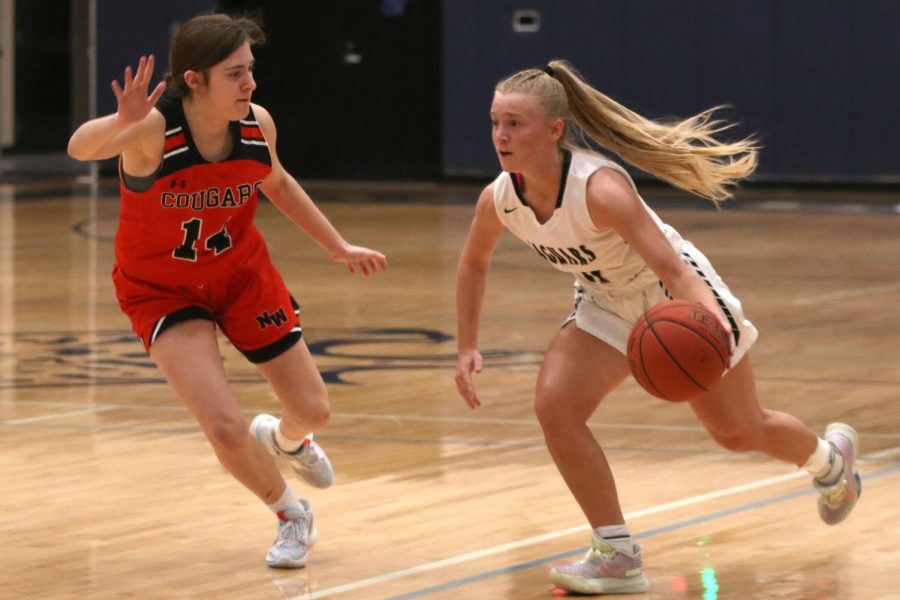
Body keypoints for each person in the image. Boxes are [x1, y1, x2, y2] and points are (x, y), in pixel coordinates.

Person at [454, 60, 860, 595]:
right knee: (556, 408)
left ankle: (829, 463)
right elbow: (473, 264)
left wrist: (711, 323)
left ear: (554, 130)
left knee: (738, 431)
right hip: (603, 302)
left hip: (675, 298)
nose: (500, 136)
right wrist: (467, 347)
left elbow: (671, 268)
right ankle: (616, 552)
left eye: (515, 123)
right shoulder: (500, 198)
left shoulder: (599, 189)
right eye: (495, 122)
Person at [67, 13, 387, 568]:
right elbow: (78, 148)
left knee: (314, 409)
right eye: (235, 74)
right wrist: (118, 121)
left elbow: (278, 182)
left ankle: (288, 440)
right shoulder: (150, 131)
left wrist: (337, 246)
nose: (250, 84)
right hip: (161, 290)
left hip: (241, 277)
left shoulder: (256, 123)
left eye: (251, 71)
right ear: (195, 80)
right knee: (220, 424)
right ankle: (291, 514)